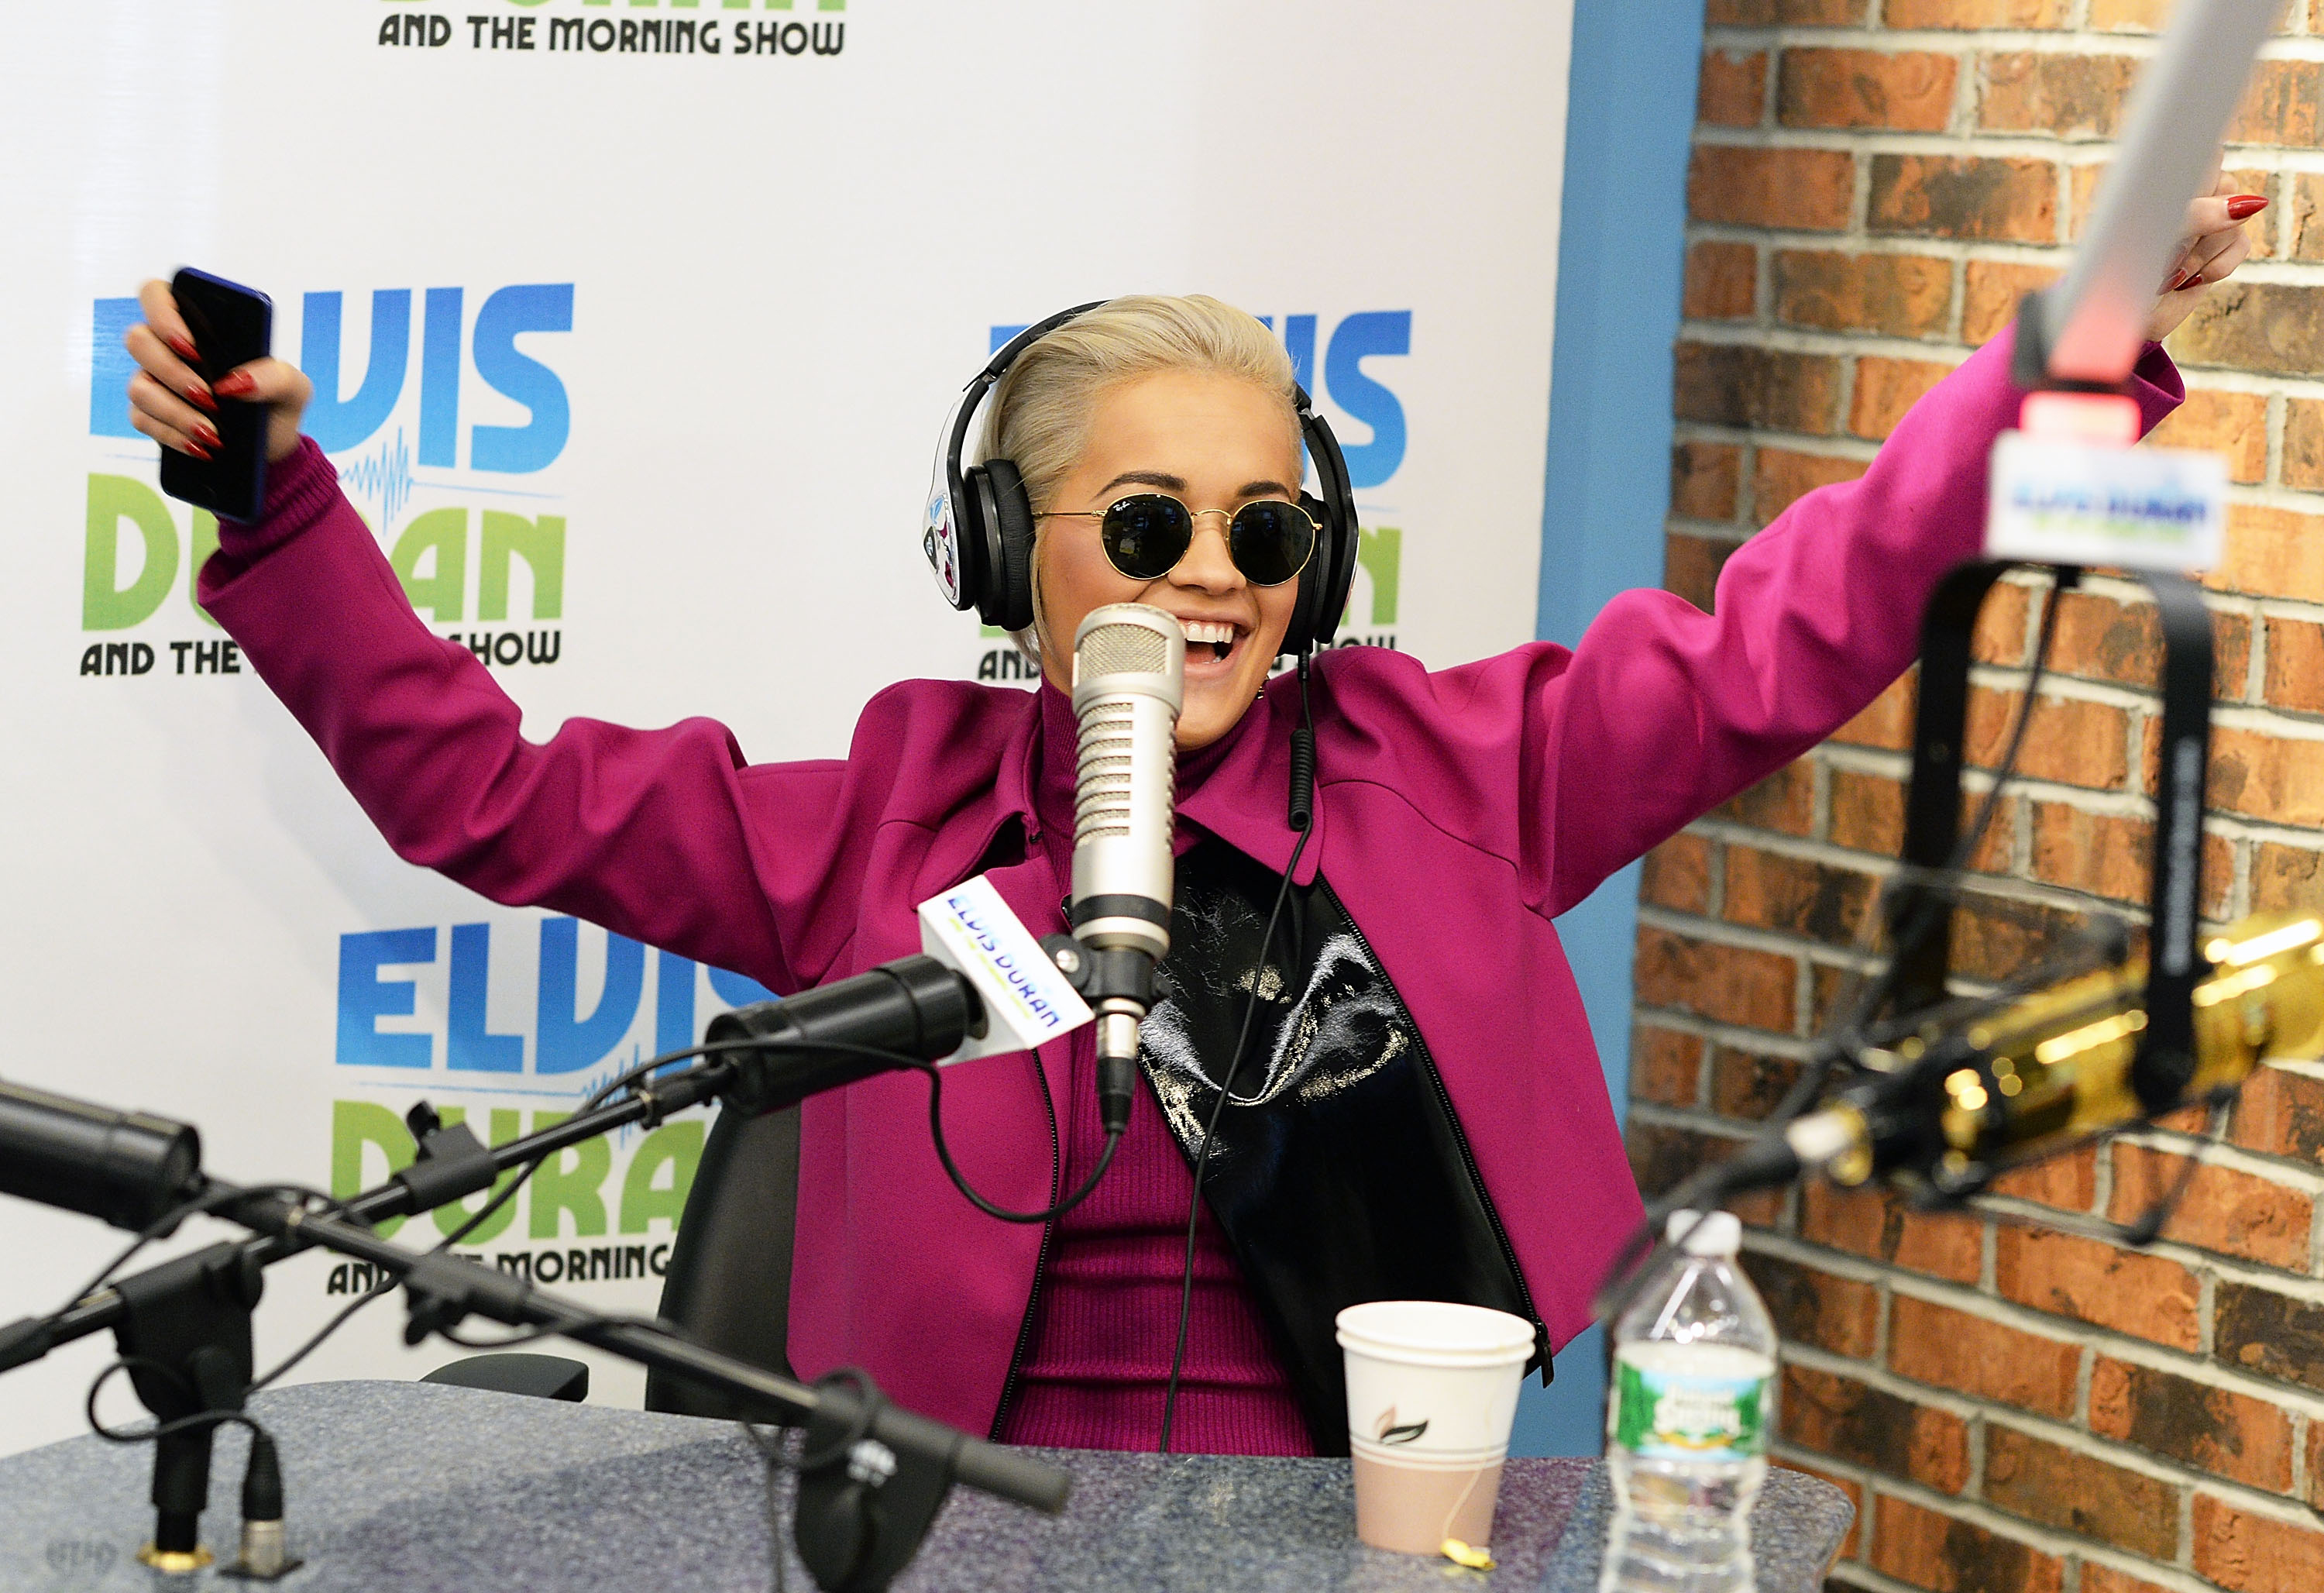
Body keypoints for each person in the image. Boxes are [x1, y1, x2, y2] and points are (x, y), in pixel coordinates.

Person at [122, 183, 2254, 1456]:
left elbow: (1803, 622)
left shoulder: (1464, 770)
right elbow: (480, 792)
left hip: (1362, 1543)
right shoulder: (885, 818)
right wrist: (273, 506)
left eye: (1266, 530)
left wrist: (2063, 358)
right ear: (1008, 554)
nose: (1214, 577)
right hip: (952, 1541)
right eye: (1146, 525)